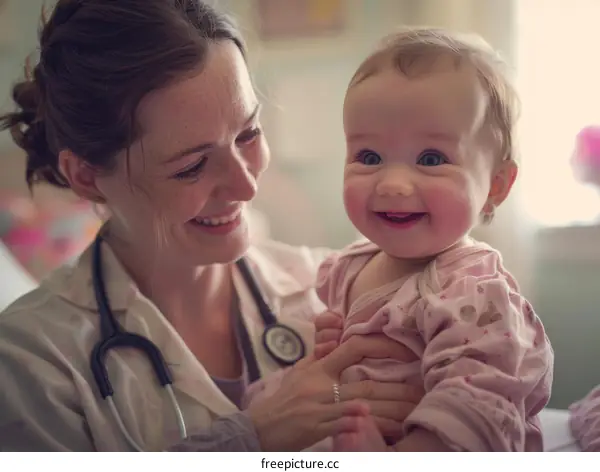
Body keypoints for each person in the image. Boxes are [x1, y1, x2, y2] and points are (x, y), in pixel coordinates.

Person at [0, 0, 424, 452]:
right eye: (193, 166)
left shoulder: (343, 289)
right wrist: (253, 438)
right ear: (86, 176)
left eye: (249, 134)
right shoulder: (31, 361)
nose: (245, 185)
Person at [246, 27, 555, 452]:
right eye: (368, 157)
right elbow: (334, 373)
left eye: (431, 159)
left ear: (497, 185)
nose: (392, 183)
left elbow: (478, 413)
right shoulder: (346, 267)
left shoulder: (472, 293)